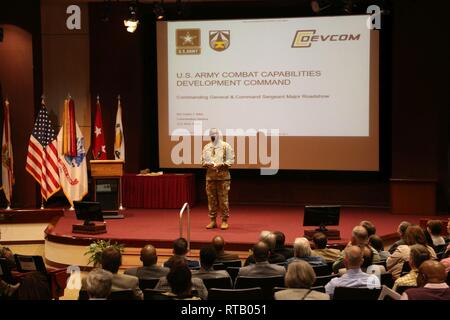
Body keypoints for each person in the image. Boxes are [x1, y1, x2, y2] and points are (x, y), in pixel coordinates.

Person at [202, 128, 235, 230]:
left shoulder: (226, 146)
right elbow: (202, 161)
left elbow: (231, 160)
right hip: (210, 178)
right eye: (212, 133)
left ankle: (224, 221)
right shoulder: (207, 147)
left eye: (215, 133)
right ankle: (213, 220)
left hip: (223, 178)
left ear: (218, 134)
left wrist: (222, 164)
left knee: (223, 201)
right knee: (211, 200)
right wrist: (207, 164)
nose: (213, 135)